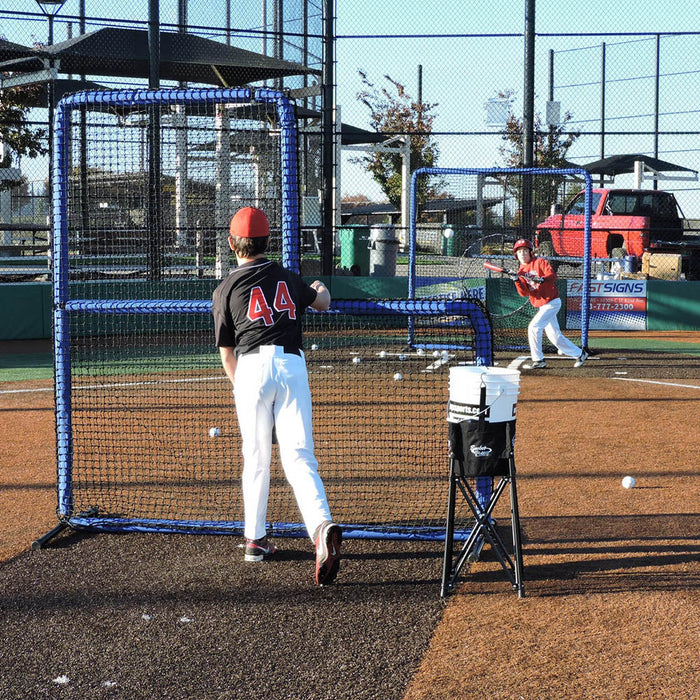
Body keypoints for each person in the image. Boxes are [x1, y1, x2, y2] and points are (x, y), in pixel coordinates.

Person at [212, 206, 341, 586]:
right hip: (291, 366)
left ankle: (255, 540)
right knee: (299, 455)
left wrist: (244, 392)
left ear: (232, 243)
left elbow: (227, 354)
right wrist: (320, 288)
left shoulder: (225, 288)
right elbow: (322, 303)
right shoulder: (286, 276)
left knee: (256, 457)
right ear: (267, 242)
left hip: (250, 368)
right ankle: (320, 527)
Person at [512, 238, 588, 370]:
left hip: (552, 302)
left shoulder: (539, 262)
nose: (522, 254)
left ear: (530, 252)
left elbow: (553, 276)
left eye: (525, 251)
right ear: (516, 255)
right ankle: (580, 354)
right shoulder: (520, 272)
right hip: (542, 305)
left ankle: (538, 360)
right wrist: (516, 280)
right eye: (519, 252)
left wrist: (543, 279)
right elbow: (524, 293)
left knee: (534, 327)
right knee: (555, 337)